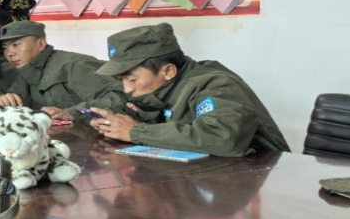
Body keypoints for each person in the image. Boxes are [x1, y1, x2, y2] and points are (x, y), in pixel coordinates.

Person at [85, 23, 291, 157]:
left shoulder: (215, 84)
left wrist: (135, 132)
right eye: (121, 79)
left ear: (168, 71)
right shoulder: (159, 86)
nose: (127, 88)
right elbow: (142, 110)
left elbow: (221, 137)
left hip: (261, 179)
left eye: (132, 79)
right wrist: (112, 121)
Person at [0, 21, 124, 120]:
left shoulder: (72, 65)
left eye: (16, 45)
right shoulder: (27, 71)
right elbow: (7, 95)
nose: (9, 53)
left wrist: (72, 113)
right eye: (5, 48)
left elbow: (120, 98)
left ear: (41, 44)